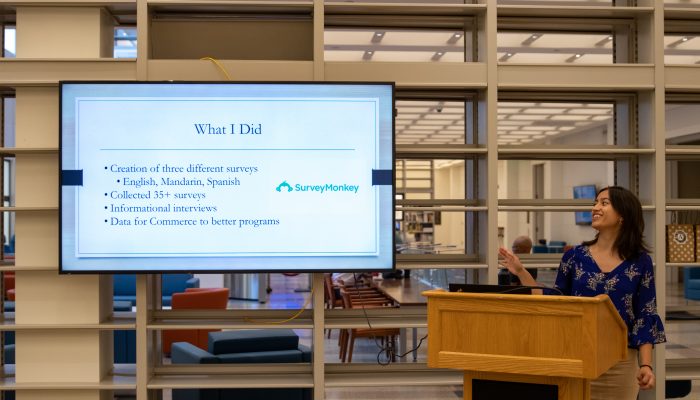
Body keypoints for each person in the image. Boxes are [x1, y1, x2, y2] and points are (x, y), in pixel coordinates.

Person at [498, 186, 666, 400]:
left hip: (622, 364)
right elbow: (555, 302)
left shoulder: (640, 262)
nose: (595, 207)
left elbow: (645, 314)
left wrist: (646, 365)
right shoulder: (574, 257)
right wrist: (521, 272)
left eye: (604, 203)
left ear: (623, 215)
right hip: (577, 357)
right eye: (595, 202)